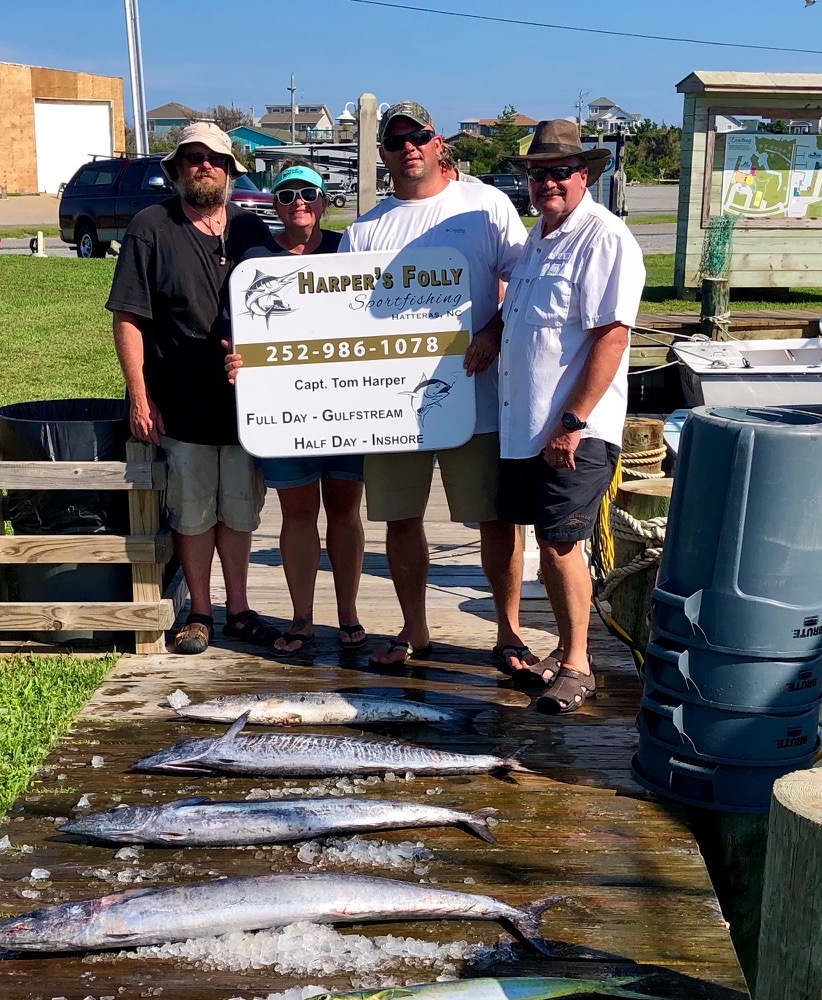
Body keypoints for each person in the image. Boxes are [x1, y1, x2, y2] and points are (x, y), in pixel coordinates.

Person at [340, 101, 528, 672]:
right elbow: (341, 319)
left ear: (438, 140)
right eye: (396, 141)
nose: (408, 148)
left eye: (418, 136)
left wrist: (493, 328)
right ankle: (414, 628)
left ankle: (510, 631)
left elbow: (524, 280)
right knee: (401, 518)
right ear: (382, 153)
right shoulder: (364, 229)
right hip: (393, 407)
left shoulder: (485, 204)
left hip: (476, 394)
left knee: (496, 517)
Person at [489, 119, 646, 714]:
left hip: (571, 430)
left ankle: (579, 665)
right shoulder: (537, 238)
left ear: (585, 176)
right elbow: (519, 316)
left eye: (559, 173)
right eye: (537, 174)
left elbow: (611, 336)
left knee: (560, 544)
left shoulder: (603, 237)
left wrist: (574, 420)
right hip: (524, 424)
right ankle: (565, 646)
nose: (547, 183)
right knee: (545, 539)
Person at [106, 121, 280, 656]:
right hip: (180, 404)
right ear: (176, 169)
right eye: (192, 158)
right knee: (193, 512)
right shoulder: (151, 226)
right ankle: (200, 611)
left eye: (214, 159)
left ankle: (240, 609)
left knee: (240, 511)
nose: (204, 165)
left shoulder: (251, 231)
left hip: (246, 409)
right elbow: (128, 317)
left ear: (230, 171)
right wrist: (139, 393)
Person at [226, 162, 367, 656]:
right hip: (286, 411)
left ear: (325, 201)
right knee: (298, 513)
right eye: (286, 196)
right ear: (275, 206)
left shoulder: (350, 250)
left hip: (349, 407)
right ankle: (303, 617)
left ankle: (348, 613)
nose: (298, 203)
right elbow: (237, 332)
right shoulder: (254, 261)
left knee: (346, 513)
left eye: (308, 193)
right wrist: (235, 357)